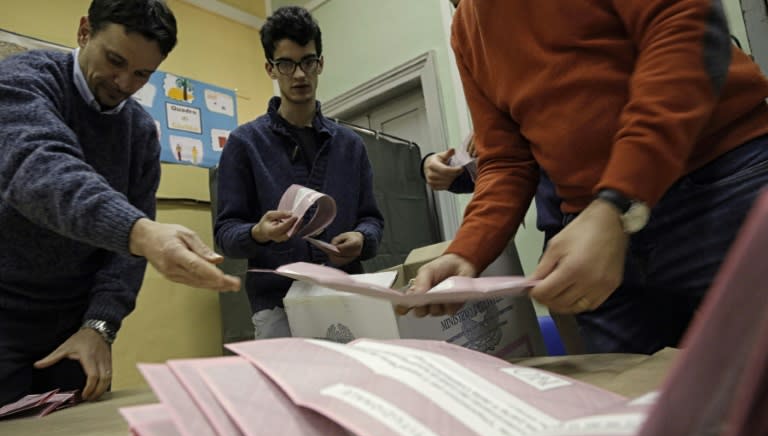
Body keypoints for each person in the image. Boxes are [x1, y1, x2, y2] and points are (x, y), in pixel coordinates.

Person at [403, 0, 768, 355]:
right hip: (591, 227)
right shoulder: (466, 29)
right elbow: (506, 160)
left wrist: (618, 201)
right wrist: (466, 252)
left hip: (719, 183)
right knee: (623, 404)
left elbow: (685, 32)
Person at [0, 0, 241, 407]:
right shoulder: (21, 82)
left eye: (142, 74)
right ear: (83, 31)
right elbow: (41, 168)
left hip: (74, 330)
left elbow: (124, 257)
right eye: (115, 60)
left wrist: (100, 326)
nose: (125, 83)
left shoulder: (140, 132)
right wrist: (141, 233)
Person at [214, 6, 384, 339]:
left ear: (320, 63)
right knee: (289, 391)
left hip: (344, 296)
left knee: (351, 387)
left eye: (308, 61)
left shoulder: (350, 146)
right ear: (270, 69)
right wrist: (259, 233)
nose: (300, 75)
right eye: (286, 64)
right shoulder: (244, 144)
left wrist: (363, 238)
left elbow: (372, 219)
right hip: (277, 305)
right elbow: (225, 235)